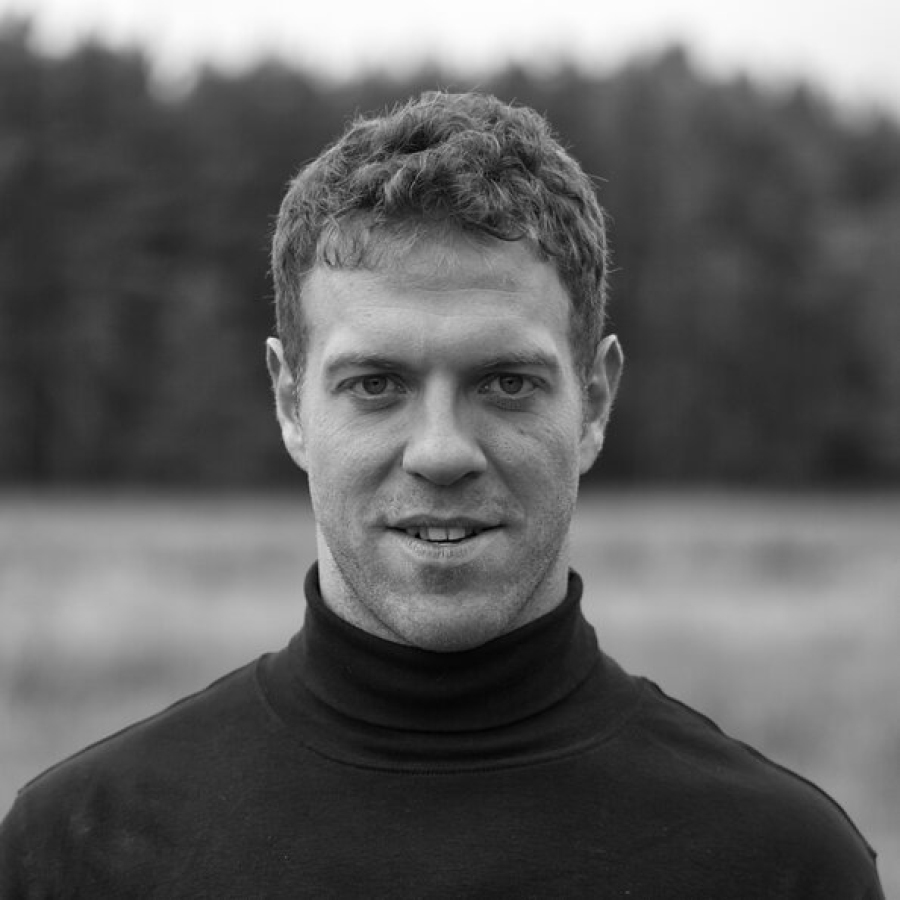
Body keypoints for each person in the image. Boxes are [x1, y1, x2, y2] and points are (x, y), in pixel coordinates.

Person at [0, 91, 884, 898]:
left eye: (506, 383)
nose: (441, 453)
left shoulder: (780, 865)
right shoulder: (81, 851)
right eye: (375, 384)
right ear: (290, 403)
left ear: (594, 400)